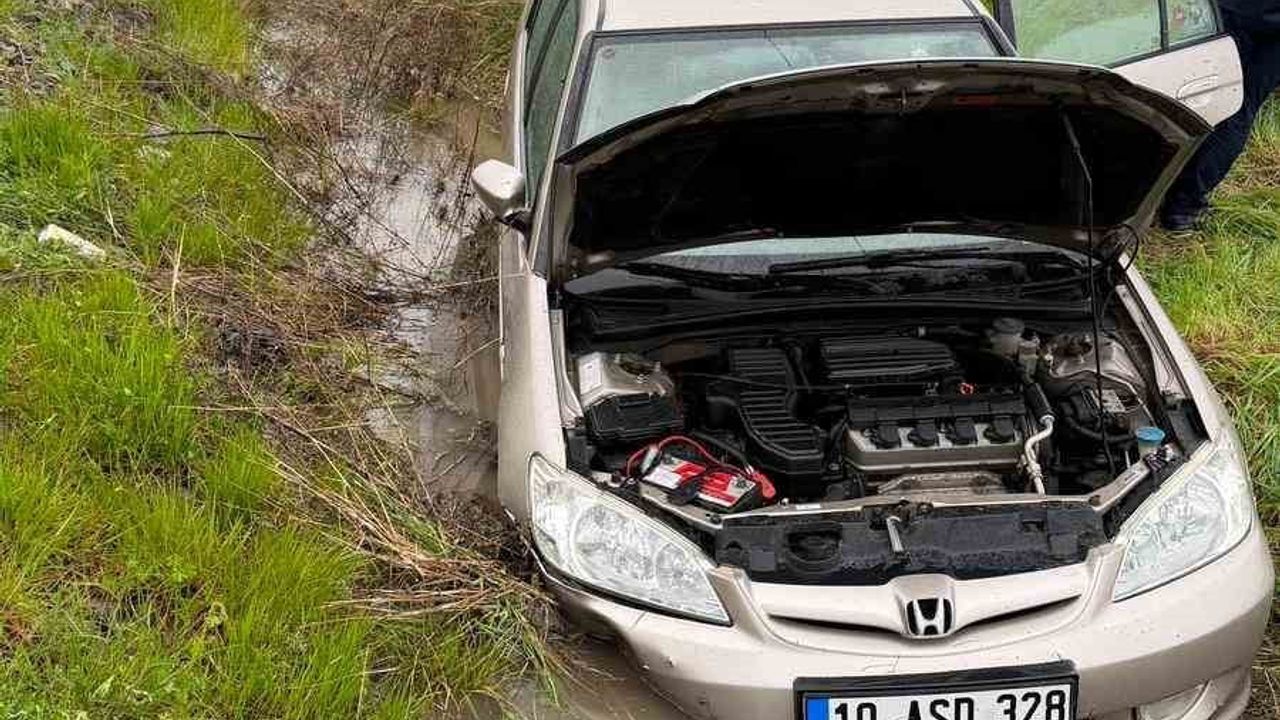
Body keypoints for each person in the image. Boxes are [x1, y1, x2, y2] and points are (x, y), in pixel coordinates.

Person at [1161, 0, 1280, 231]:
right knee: (1239, 109)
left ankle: (1158, 189)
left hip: (1230, 10)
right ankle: (1183, 207)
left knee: (1191, 89)